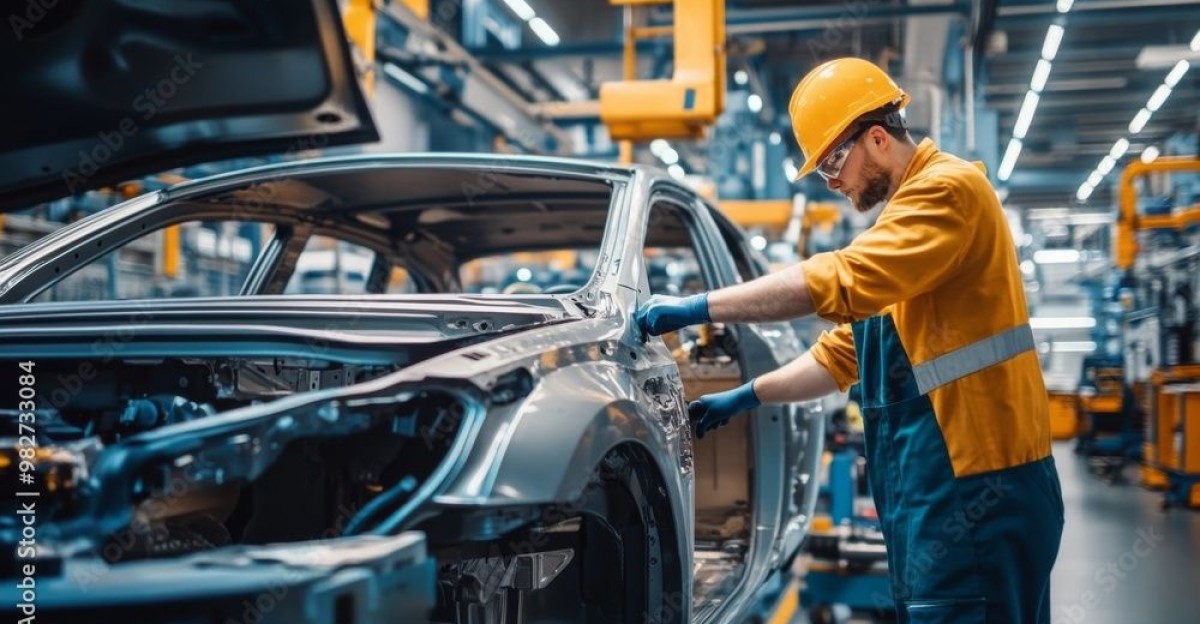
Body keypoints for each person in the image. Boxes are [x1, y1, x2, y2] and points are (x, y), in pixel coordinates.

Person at [635, 57, 1064, 623]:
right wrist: (746, 396)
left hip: (977, 492)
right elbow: (841, 356)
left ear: (879, 138)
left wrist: (696, 308)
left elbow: (836, 280)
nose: (832, 181)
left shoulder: (949, 191)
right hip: (938, 492)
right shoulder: (905, 229)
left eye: (833, 161)